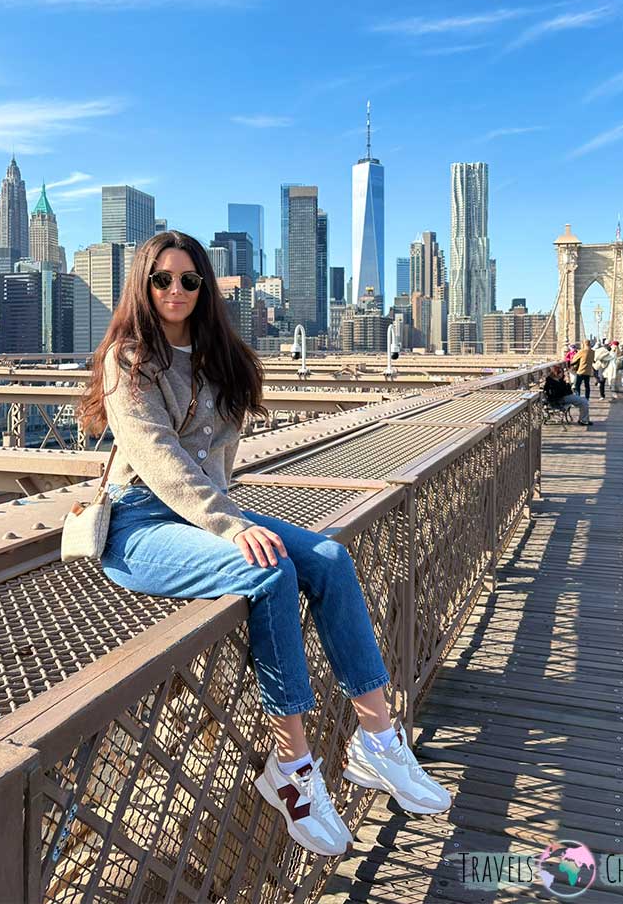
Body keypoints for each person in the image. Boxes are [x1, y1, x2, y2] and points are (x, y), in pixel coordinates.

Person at [77, 231, 452, 858]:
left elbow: (219, 462)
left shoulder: (219, 359)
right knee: (267, 570)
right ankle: (294, 769)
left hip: (202, 515)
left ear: (205, 289)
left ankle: (378, 739)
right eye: (161, 279)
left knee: (329, 557)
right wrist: (231, 526)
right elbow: (159, 458)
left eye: (189, 280)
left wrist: (225, 518)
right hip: (139, 525)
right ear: (141, 285)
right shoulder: (128, 358)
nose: (175, 290)